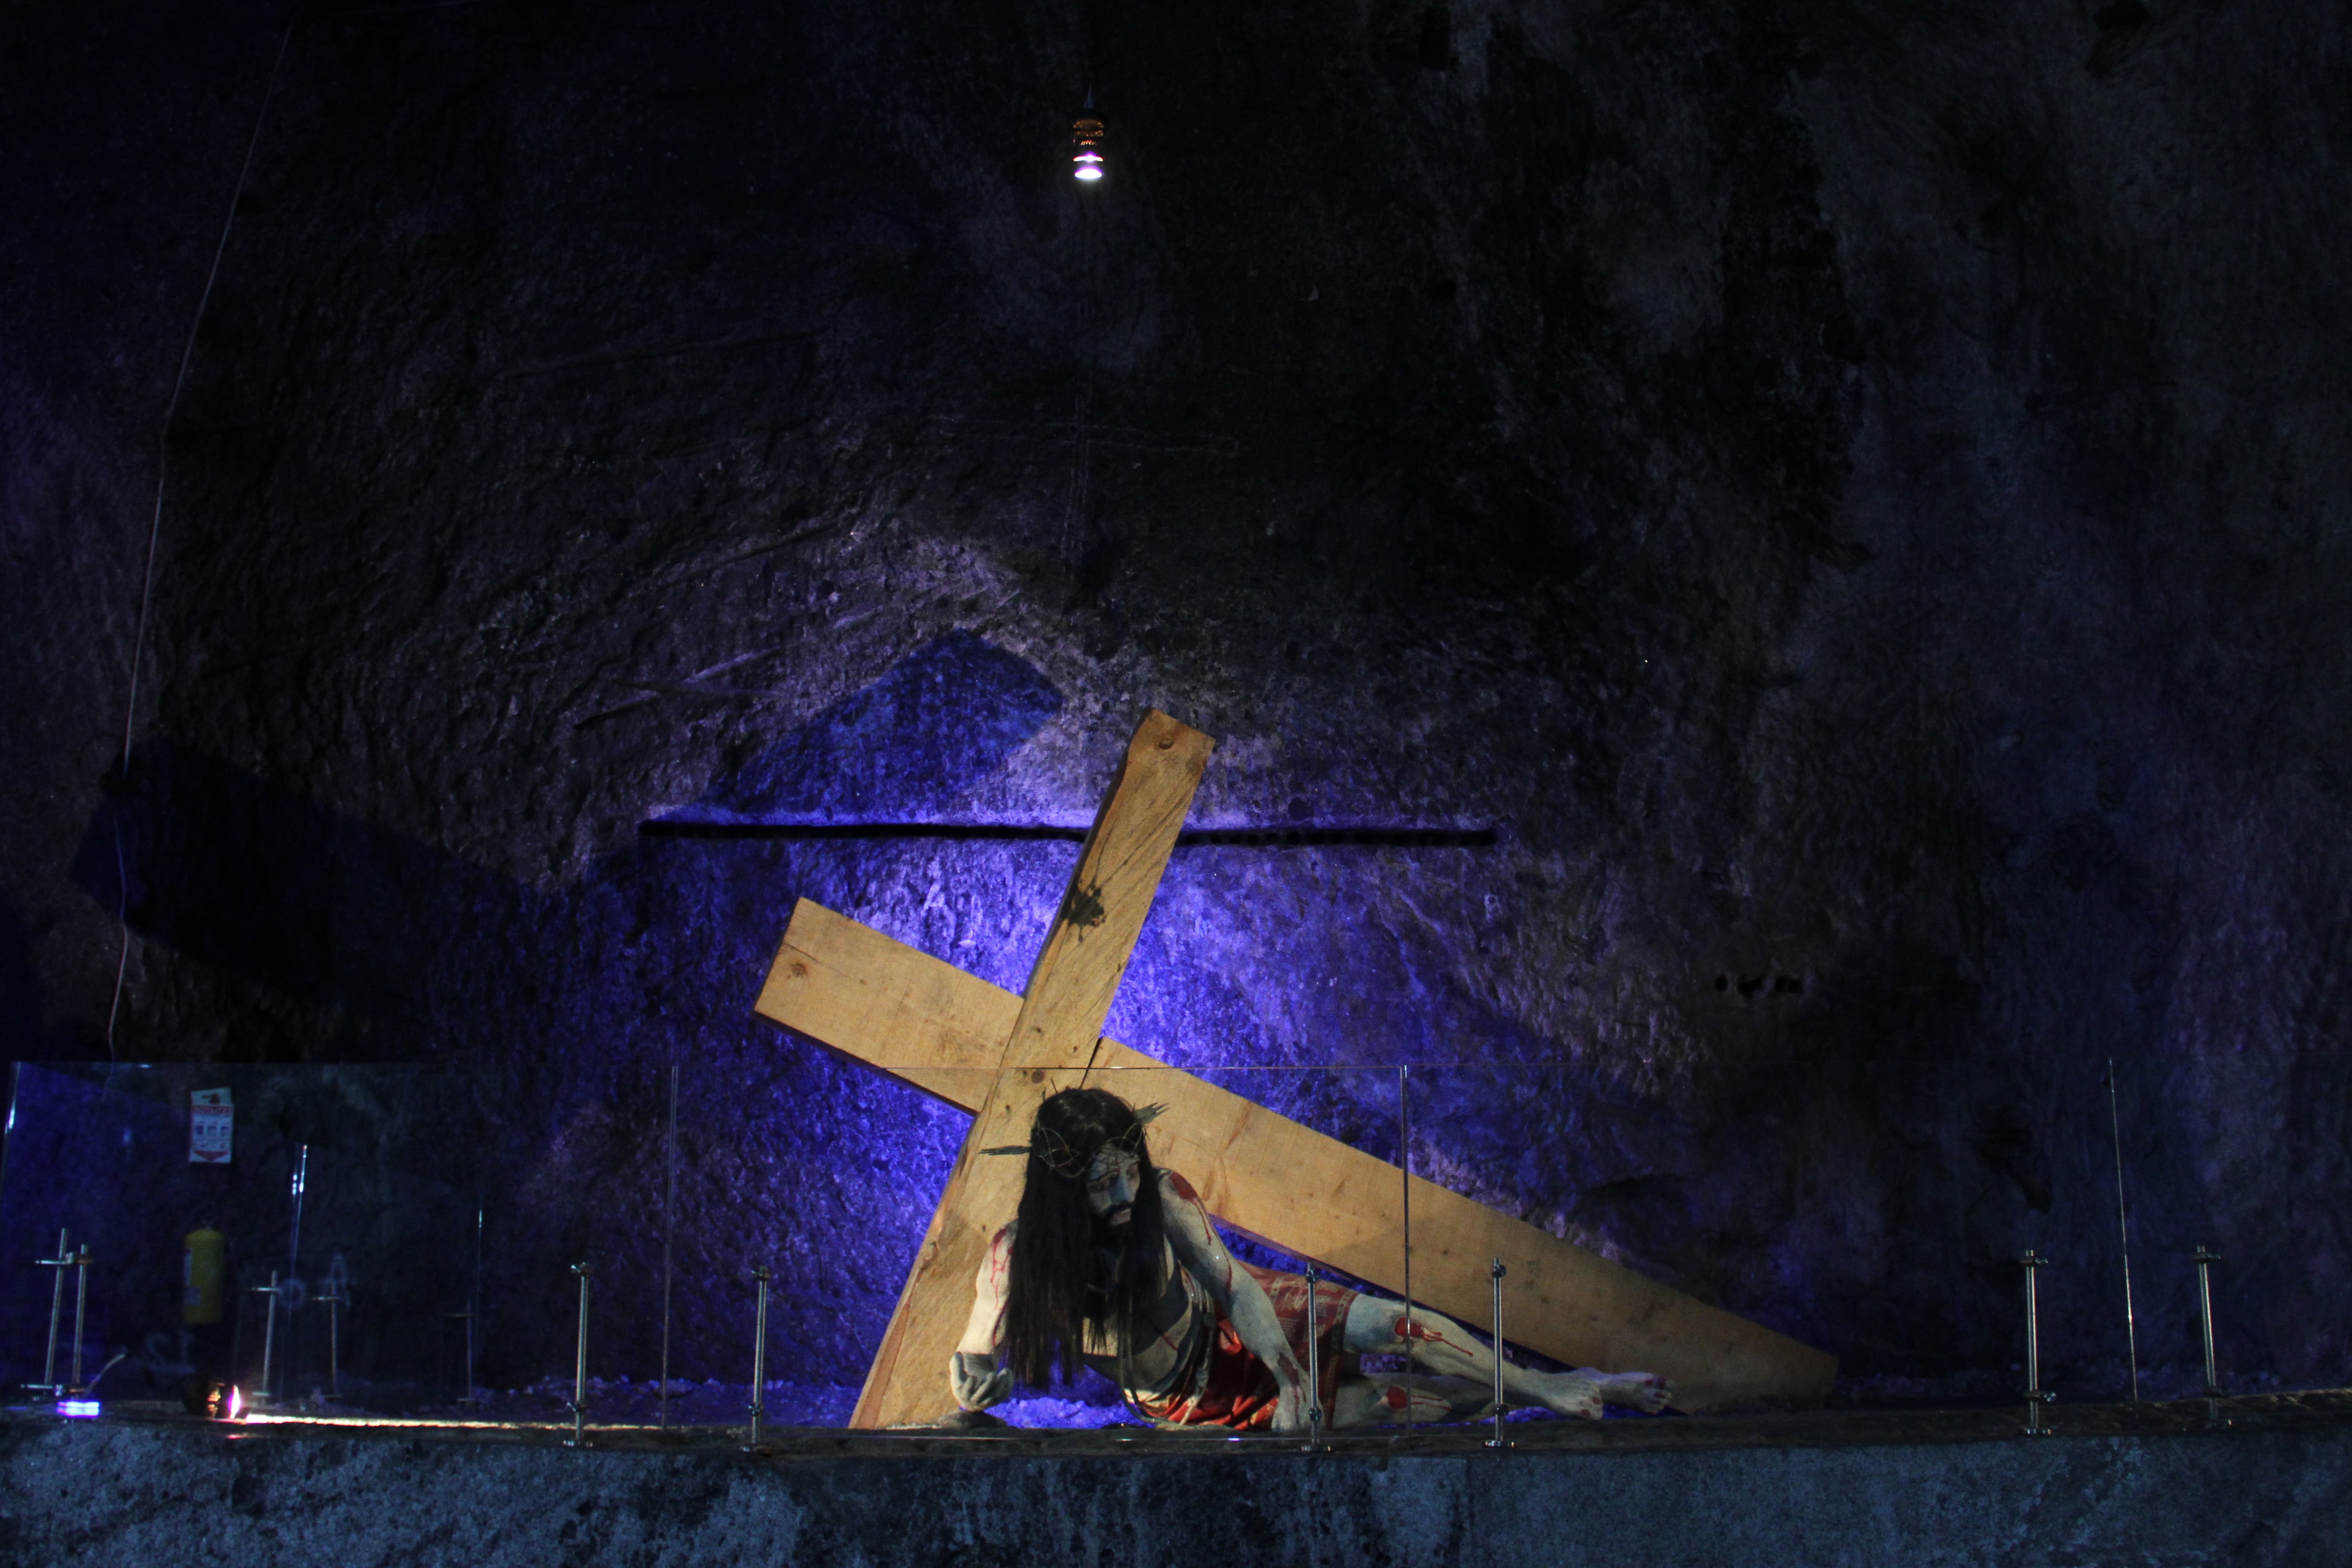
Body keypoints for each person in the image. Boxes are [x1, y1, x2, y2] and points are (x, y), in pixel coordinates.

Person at [949, 1086, 1674, 1430]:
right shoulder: (1015, 1257)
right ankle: (1554, 1386)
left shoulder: (1161, 1196)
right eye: (1099, 1179)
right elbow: (973, 1364)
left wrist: (1292, 1377)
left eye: (1125, 1168)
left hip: (1244, 1318)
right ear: (1059, 1189)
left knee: (1401, 1327)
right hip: (1189, 1400)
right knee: (1397, 1404)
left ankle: (1544, 1386)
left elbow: (1234, 1287)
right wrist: (978, 1376)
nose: (1119, 1191)